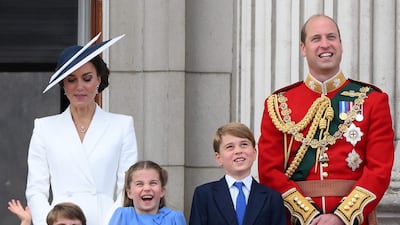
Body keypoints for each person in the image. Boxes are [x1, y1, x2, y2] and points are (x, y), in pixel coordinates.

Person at [258, 14, 395, 225]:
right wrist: (307, 216)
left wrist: (342, 217)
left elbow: (379, 169)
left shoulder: (372, 100)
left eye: (331, 37)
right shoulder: (278, 104)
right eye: (316, 38)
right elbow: (269, 171)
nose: (325, 44)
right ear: (303, 48)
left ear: (340, 44)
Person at [25, 33, 138, 225]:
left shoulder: (122, 125)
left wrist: (113, 222)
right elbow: (36, 190)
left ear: (98, 80)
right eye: (71, 80)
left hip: (105, 219)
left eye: (87, 78)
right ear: (63, 85)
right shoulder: (44, 128)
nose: (79, 87)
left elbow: (127, 187)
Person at [189, 122, 286, 225]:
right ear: (219, 158)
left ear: (254, 153)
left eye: (244, 144)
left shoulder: (272, 198)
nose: (238, 151)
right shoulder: (205, 195)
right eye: (230, 147)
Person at [107, 160, 187, 225]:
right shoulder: (122, 216)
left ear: (162, 191)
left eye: (153, 183)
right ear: (129, 193)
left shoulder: (174, 219)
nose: (147, 188)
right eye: (139, 184)